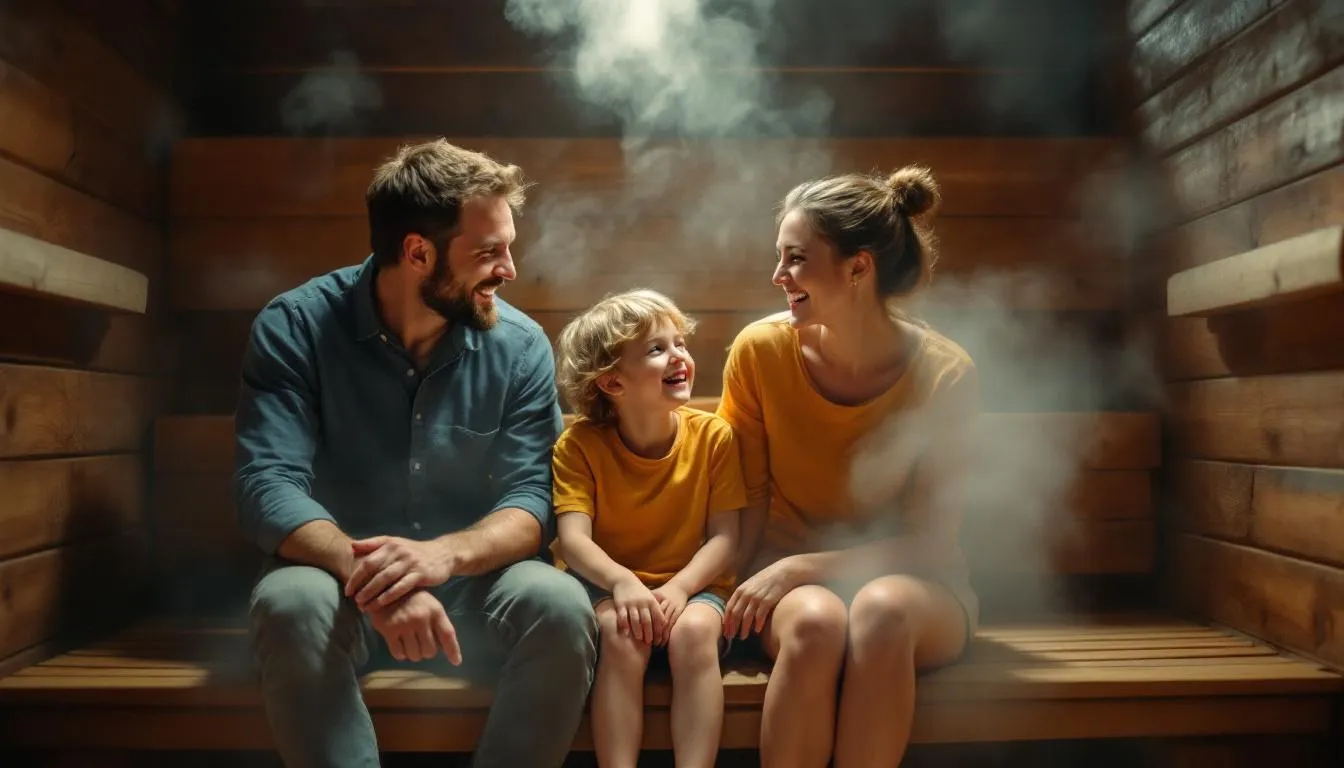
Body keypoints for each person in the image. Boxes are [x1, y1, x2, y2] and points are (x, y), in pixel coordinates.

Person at [234, 138, 598, 768]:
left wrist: (440, 557)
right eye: (489, 252)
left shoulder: (520, 346)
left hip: (474, 584)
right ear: (417, 252)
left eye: (508, 247)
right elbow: (267, 486)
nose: (510, 269)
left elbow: (534, 499)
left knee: (562, 605)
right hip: (336, 581)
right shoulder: (295, 326)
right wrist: (378, 579)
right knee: (288, 601)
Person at [715, 166, 980, 767]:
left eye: (796, 259)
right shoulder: (760, 352)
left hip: (916, 588)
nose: (777, 276)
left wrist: (801, 566)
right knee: (816, 623)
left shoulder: (945, 373)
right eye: (779, 258)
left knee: (880, 611)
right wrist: (716, 597)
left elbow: (930, 544)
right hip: (785, 590)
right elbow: (746, 497)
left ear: (858, 267)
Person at [550, 289, 744, 768]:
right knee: (620, 634)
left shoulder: (714, 436)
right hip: (613, 589)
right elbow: (574, 541)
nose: (679, 356)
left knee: (695, 632)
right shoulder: (578, 446)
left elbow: (725, 538)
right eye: (658, 349)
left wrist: (680, 589)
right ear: (612, 383)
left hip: (693, 588)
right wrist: (621, 582)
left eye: (680, 343)